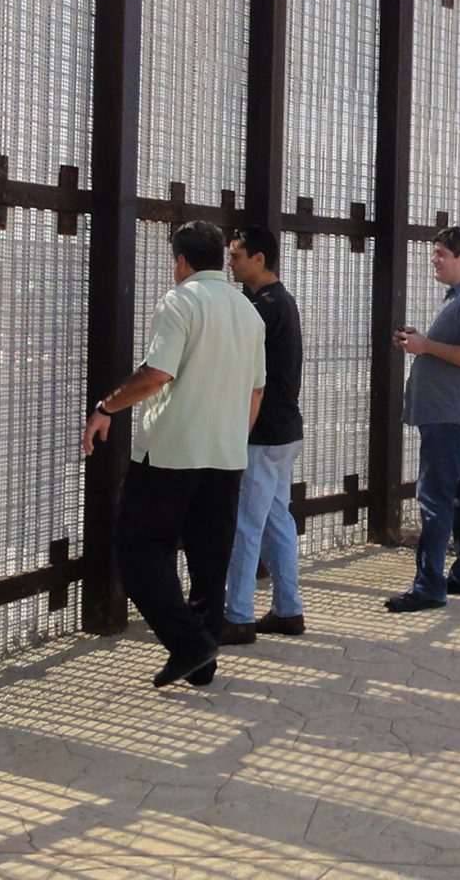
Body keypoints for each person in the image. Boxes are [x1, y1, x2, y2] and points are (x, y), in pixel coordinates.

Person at [83, 220, 265, 687]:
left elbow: (156, 374)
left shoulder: (180, 301)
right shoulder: (248, 311)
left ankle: (187, 644)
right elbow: (257, 391)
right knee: (209, 562)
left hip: (171, 453)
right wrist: (230, 437)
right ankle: (201, 661)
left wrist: (107, 406)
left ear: (181, 261)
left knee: (136, 546)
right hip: (226, 456)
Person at [386, 226, 460, 613]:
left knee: (434, 499)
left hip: (453, 416)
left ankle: (429, 586)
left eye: (441, 254)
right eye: (434, 253)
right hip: (454, 415)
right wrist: (423, 344)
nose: (434, 260)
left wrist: (425, 347)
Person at [220, 226, 307, 644]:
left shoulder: (266, 307)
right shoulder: (274, 303)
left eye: (236, 255)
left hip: (264, 433)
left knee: (246, 524)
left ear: (259, 258)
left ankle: (236, 616)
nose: (230, 262)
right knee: (275, 521)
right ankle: (288, 610)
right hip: (283, 432)